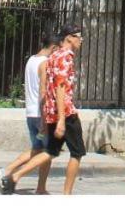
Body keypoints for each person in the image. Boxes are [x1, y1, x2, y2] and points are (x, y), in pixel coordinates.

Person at [12, 26, 86, 195]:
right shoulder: (66, 57)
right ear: (69, 38)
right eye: (79, 37)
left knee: (50, 151)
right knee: (77, 153)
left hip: (52, 111)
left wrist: (49, 115)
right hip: (66, 113)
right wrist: (61, 119)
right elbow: (60, 86)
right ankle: (67, 194)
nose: (81, 40)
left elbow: (46, 88)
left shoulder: (53, 57)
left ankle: (16, 175)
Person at [0, 32, 55, 195]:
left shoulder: (31, 60)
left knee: (37, 150)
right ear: (54, 47)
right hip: (40, 113)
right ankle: (15, 174)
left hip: (30, 112)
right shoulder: (45, 63)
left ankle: (13, 174)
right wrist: (45, 119)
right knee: (47, 152)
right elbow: (43, 93)